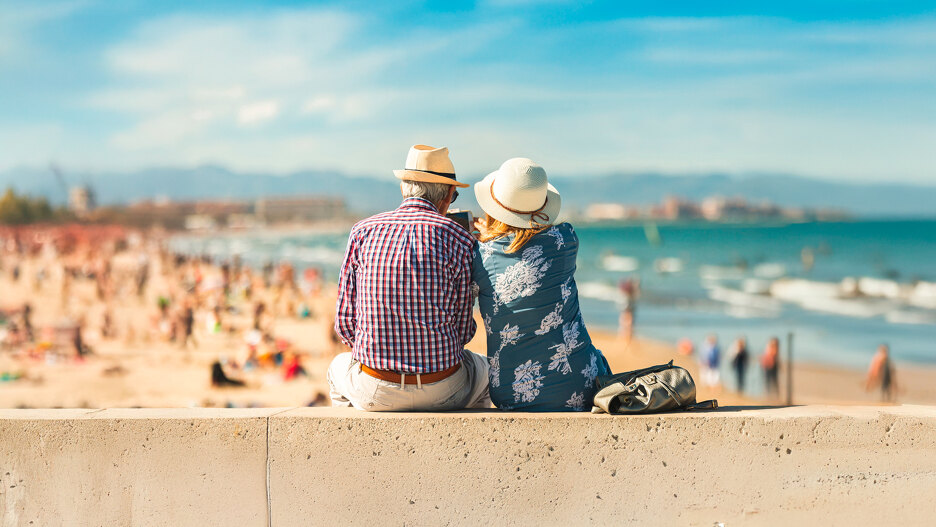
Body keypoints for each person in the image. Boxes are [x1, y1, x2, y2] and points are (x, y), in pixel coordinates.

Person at [328, 144, 490, 411]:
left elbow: (346, 326)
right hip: (443, 388)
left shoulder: (362, 231)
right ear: (449, 195)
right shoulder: (459, 238)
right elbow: (463, 332)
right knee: (484, 371)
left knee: (337, 368)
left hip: (376, 389)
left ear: (404, 187)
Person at [472, 157, 610, 411]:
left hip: (511, 393)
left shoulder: (479, 254)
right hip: (580, 385)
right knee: (597, 357)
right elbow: (530, 242)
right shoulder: (566, 239)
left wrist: (484, 237)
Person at [617, 277, 639, 343]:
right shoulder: (631, 296)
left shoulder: (628, 296)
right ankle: (625, 339)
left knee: (626, 326)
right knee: (628, 326)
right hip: (628, 311)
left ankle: (624, 339)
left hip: (627, 310)